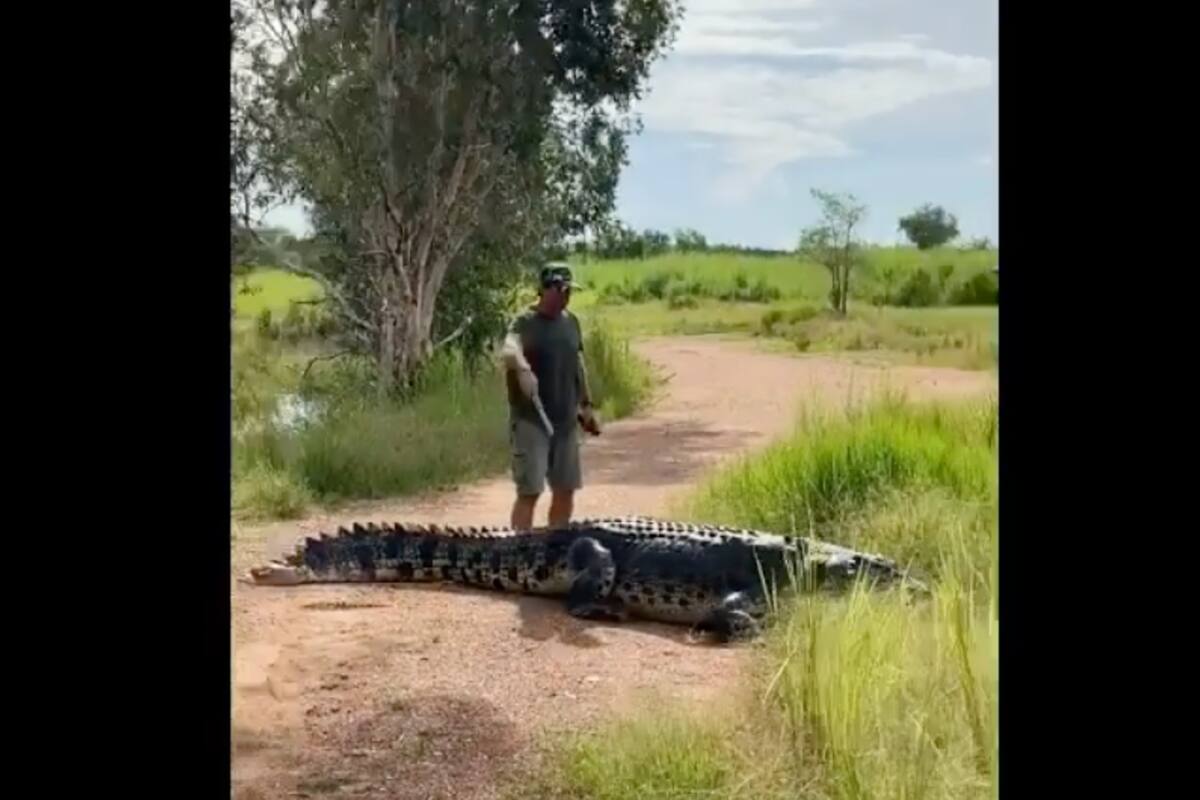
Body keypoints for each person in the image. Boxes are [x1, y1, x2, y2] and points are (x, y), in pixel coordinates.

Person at [501, 264, 601, 529]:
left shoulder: (571, 322)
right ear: (545, 290)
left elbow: (577, 364)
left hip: (566, 421)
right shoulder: (524, 322)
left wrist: (587, 405)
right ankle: (519, 550)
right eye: (561, 291)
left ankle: (555, 546)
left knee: (566, 488)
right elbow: (510, 350)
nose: (566, 297)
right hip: (531, 420)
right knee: (530, 491)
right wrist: (522, 368)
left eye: (569, 291)